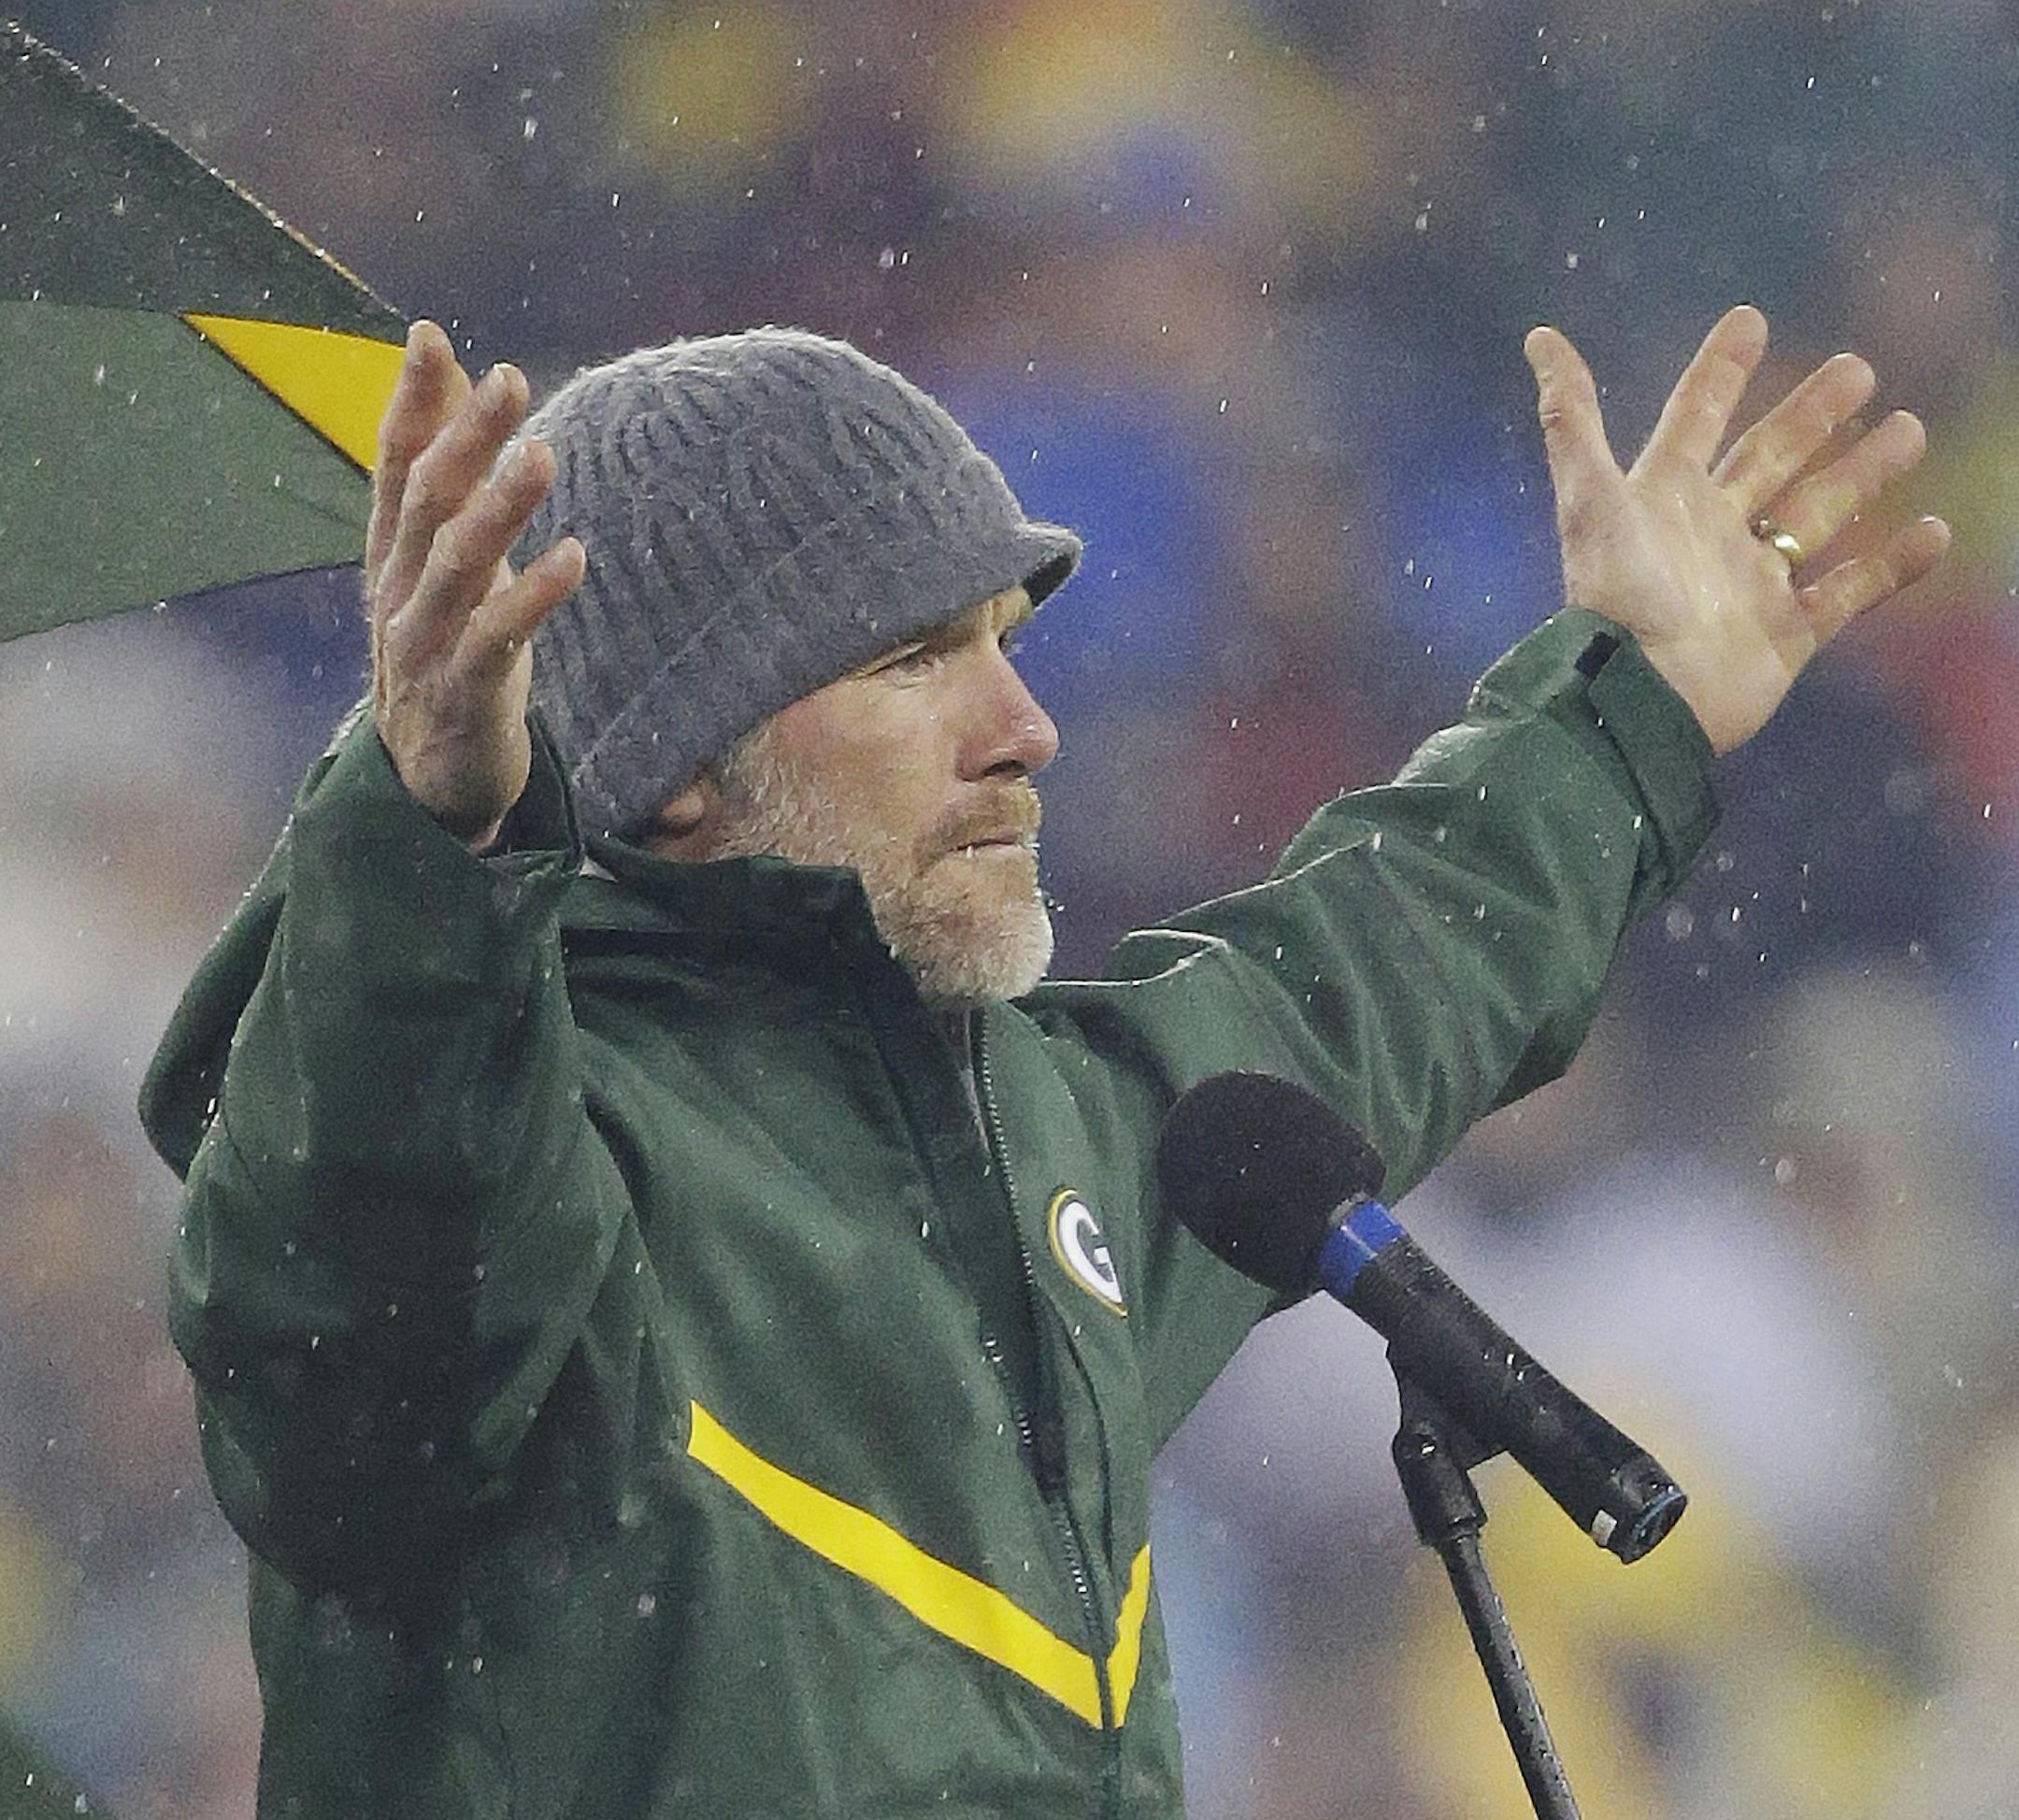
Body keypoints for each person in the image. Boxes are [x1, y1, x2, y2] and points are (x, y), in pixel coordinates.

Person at [138, 306, 1946, 1816]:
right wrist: (428, 846)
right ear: (678, 764)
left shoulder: (1056, 1129)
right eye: (914, 660)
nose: (1027, 725)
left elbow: (1374, 968)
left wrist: (1635, 706)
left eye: (1004, 644)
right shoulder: (518, 1176)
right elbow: (356, 1288)